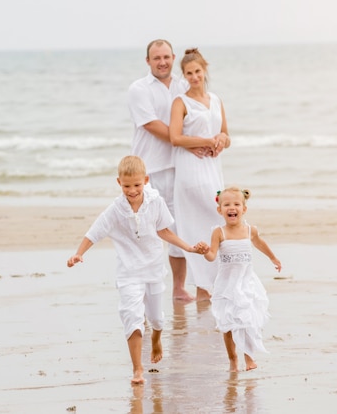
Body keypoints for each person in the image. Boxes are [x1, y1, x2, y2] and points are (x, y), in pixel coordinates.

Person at [66, 155, 207, 384]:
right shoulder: (115, 209)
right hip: (129, 272)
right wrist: (79, 253)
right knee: (132, 316)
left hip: (152, 267)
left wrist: (188, 248)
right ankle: (138, 369)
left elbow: (165, 231)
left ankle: (157, 338)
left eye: (137, 185)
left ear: (146, 181)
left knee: (157, 319)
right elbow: (95, 231)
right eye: (127, 186)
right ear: (118, 183)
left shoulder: (155, 202)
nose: (132, 191)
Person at [128, 39, 199, 302]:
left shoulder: (183, 85)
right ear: (148, 61)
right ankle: (143, 290)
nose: (162, 62)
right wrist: (188, 141)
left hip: (180, 167)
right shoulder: (139, 89)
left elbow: (198, 114)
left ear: (173, 57)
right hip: (149, 170)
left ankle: (179, 289)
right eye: (156, 58)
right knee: (146, 232)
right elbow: (152, 125)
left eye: (167, 57)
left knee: (176, 229)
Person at [169, 47, 231, 301]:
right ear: (183, 75)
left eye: (197, 71)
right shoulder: (180, 102)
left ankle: (212, 286)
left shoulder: (216, 100)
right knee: (201, 222)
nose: (194, 77)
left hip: (213, 167)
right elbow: (175, 138)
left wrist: (219, 142)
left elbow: (226, 135)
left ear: (205, 71)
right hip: (190, 169)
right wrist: (202, 141)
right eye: (189, 73)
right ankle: (204, 286)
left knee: (214, 220)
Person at [202, 187, 282, 372]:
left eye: (236, 204)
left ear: (244, 209)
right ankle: (232, 359)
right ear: (219, 210)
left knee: (248, 320)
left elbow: (260, 243)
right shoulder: (219, 232)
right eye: (227, 204)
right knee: (227, 323)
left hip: (246, 282)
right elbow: (212, 255)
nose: (232, 208)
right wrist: (206, 251)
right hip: (226, 284)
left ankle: (249, 358)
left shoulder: (249, 230)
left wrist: (273, 258)